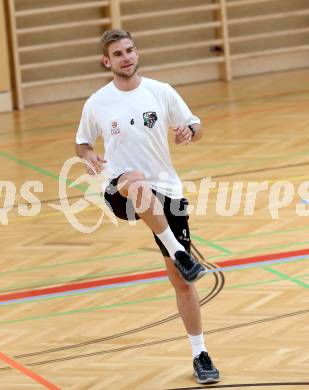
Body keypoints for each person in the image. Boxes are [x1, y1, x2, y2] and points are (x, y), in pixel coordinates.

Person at [75, 29, 220, 384]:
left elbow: (196, 125)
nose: (126, 57)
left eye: (129, 50)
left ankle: (199, 354)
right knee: (137, 180)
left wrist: (190, 132)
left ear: (136, 53)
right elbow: (81, 144)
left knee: (182, 284)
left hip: (167, 189)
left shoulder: (161, 91)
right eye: (118, 53)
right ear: (106, 61)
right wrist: (90, 154)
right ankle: (180, 252)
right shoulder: (97, 102)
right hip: (121, 188)